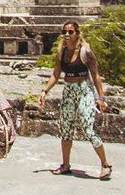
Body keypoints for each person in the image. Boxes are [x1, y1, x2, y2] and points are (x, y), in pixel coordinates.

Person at [38, 21, 112, 180]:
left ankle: (105, 164)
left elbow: (95, 76)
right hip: (69, 91)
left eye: (70, 32)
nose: (66, 35)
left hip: (84, 90)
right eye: (64, 32)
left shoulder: (86, 52)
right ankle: (65, 164)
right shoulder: (61, 53)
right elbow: (55, 74)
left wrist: (101, 98)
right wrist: (45, 91)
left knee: (88, 127)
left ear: (77, 34)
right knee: (65, 128)